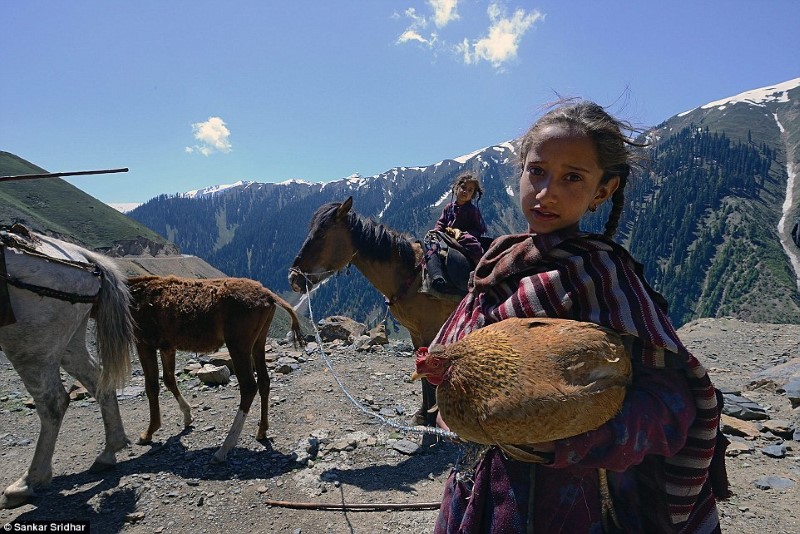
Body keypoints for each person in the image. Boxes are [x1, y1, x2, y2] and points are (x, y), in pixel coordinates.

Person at [426, 100, 728, 533]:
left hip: (577, 501)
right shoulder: (493, 266)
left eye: (573, 177)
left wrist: (571, 441)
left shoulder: (603, 276)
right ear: (520, 171)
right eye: (537, 171)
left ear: (602, 191)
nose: (547, 192)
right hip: (480, 486)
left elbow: (672, 405)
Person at [426, 174, 488, 294]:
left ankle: (480, 268)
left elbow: (478, 229)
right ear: (456, 188)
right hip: (447, 235)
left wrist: (463, 233)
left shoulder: (472, 210)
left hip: (464, 236)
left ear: (473, 194)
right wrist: (437, 230)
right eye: (463, 187)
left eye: (470, 190)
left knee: (473, 244)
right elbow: (441, 222)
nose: (465, 191)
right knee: (430, 242)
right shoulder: (448, 208)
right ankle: (436, 273)